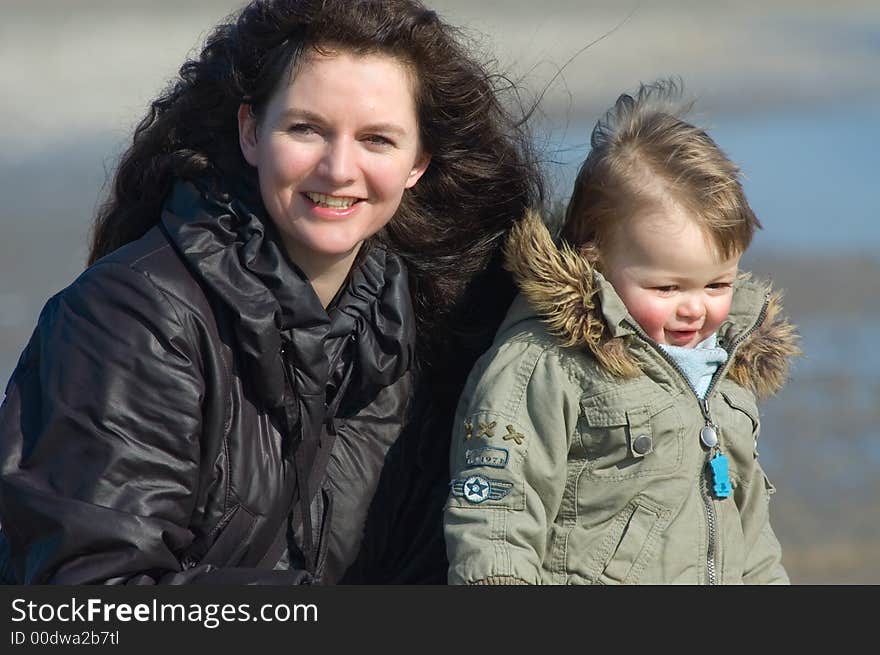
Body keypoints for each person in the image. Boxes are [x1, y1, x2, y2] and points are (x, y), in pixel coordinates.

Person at [0, 0, 543, 584]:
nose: (339, 169)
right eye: (306, 129)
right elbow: (91, 598)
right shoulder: (128, 319)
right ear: (251, 131)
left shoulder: (419, 326)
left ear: (418, 163)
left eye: (377, 140)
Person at [443, 79, 800, 584]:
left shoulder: (724, 372)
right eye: (667, 287)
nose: (694, 309)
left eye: (718, 283)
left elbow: (751, 536)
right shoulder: (544, 365)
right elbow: (497, 521)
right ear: (596, 259)